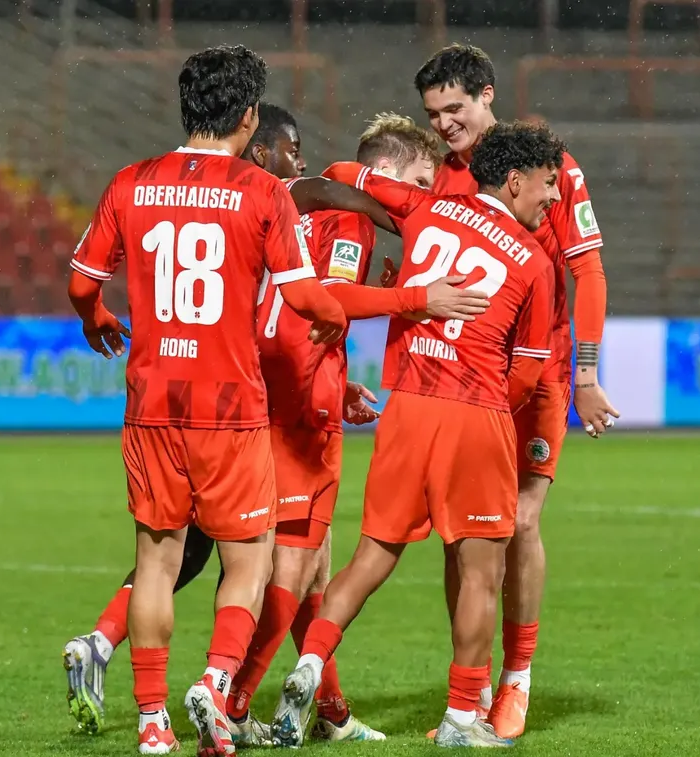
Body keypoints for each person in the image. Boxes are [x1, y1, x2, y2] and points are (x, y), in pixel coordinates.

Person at [65, 47, 349, 756]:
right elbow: (304, 295)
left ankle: (153, 721)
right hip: (230, 408)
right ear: (249, 117)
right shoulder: (262, 192)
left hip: (153, 403)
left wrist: (96, 317)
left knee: (157, 560)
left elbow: (81, 281)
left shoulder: (132, 181)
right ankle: (217, 685)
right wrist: (337, 318)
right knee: (246, 561)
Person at [270, 120, 563, 749]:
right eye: (546, 184)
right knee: (481, 572)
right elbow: (530, 371)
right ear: (514, 181)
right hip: (474, 412)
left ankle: (308, 665)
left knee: (371, 555)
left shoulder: (425, 207)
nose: (553, 198)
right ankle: (462, 718)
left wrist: (375, 205)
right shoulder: (536, 262)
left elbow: (345, 176)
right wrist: (491, 412)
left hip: (405, 408)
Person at [226, 112, 489, 745]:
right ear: (390, 170)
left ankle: (332, 711)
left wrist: (340, 378)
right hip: (298, 408)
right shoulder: (349, 221)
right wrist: (414, 297)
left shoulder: (305, 213)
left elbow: (310, 305)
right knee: (293, 567)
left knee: (316, 570)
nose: (425, 196)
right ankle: (231, 702)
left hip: (286, 389)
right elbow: (329, 300)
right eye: (421, 180)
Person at [413, 43, 618, 739]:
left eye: (456, 107)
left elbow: (587, 273)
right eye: (434, 113)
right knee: (461, 538)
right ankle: (464, 682)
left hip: (542, 371)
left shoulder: (548, 170)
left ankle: (517, 676)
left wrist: (586, 374)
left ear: (488, 95)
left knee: (523, 520)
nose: (444, 123)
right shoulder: (438, 177)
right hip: (465, 382)